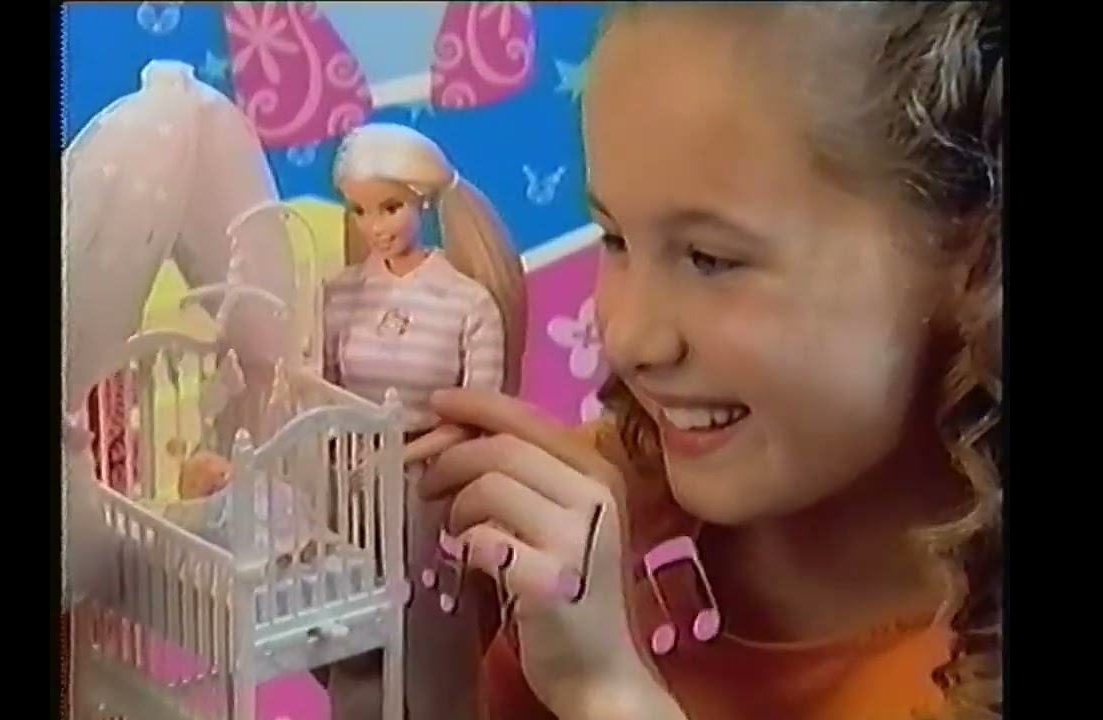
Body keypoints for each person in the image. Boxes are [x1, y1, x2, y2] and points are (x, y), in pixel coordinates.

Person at [416, 3, 1003, 720]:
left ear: (971, 253)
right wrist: (408, 670)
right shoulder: (584, 542)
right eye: (614, 238)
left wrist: (610, 696)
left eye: (711, 258)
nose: (629, 338)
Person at [317, 122, 527, 720]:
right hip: (352, 481)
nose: (375, 226)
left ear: (422, 201)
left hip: (431, 484)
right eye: (360, 210)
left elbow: (477, 410)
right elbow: (324, 388)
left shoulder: (466, 301)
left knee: (431, 632)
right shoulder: (340, 294)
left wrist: (403, 456)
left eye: (390, 207)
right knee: (351, 629)